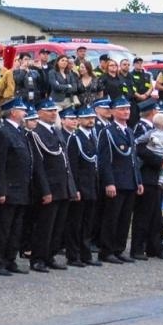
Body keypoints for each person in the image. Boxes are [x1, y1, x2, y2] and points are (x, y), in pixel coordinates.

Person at [0, 99, 34, 275]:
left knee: (16, 228)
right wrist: (0, 190)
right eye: (22, 110)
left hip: (21, 188)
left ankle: (10, 259)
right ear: (13, 112)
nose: (25, 113)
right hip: (8, 188)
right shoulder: (3, 133)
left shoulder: (20, 131)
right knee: (2, 228)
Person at [26, 99, 70, 272]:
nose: (53, 113)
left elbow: (63, 159)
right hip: (48, 186)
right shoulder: (35, 133)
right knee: (44, 225)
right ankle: (38, 258)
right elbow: (38, 165)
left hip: (61, 185)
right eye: (49, 110)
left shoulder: (56, 131)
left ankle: (50, 255)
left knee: (57, 225)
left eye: (55, 111)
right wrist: (45, 190)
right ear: (39, 113)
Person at [97, 97, 141, 264]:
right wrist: (109, 182)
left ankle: (119, 248)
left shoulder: (129, 131)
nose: (126, 112)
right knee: (112, 218)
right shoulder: (108, 132)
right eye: (122, 109)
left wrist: (138, 181)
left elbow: (133, 159)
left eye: (128, 109)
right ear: (114, 111)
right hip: (116, 180)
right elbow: (104, 160)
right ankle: (106, 250)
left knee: (124, 218)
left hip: (129, 181)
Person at [131, 101, 163, 260]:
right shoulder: (141, 128)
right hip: (146, 175)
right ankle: (138, 248)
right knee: (143, 214)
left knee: (156, 214)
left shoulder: (160, 130)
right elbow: (140, 150)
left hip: (158, 177)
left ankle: (154, 246)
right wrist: (159, 161)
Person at [63, 107, 98, 267]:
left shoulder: (93, 137)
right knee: (75, 223)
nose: (91, 120)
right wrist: (75, 188)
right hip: (80, 186)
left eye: (92, 118)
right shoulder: (75, 138)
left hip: (91, 185)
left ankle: (85, 254)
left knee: (88, 223)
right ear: (79, 120)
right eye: (86, 118)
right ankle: (73, 255)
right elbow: (73, 166)